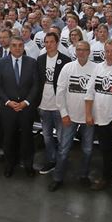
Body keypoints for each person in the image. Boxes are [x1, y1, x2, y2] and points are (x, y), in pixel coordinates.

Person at [52, 40, 98, 191]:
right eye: (78, 49)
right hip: (69, 116)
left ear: (89, 51)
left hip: (88, 118)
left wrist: (92, 115)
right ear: (75, 51)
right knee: (63, 149)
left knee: (87, 150)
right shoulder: (67, 67)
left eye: (84, 50)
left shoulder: (97, 68)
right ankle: (58, 178)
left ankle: (84, 175)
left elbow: (98, 95)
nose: (81, 52)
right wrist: (63, 114)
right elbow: (60, 92)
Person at [0, 37, 40, 178]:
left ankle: (28, 165)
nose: (17, 48)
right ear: (10, 47)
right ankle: (9, 165)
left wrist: (26, 102)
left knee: (27, 138)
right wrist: (8, 101)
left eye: (20, 45)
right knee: (8, 138)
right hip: (8, 108)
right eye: (14, 45)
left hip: (25, 108)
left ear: (23, 47)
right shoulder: (1, 63)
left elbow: (36, 85)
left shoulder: (31, 62)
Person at [36, 32, 73, 175]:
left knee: (62, 136)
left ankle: (62, 161)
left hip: (59, 106)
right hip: (43, 105)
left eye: (52, 42)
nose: (49, 44)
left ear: (57, 43)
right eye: (46, 42)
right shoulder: (39, 60)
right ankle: (51, 160)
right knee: (47, 136)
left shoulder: (65, 60)